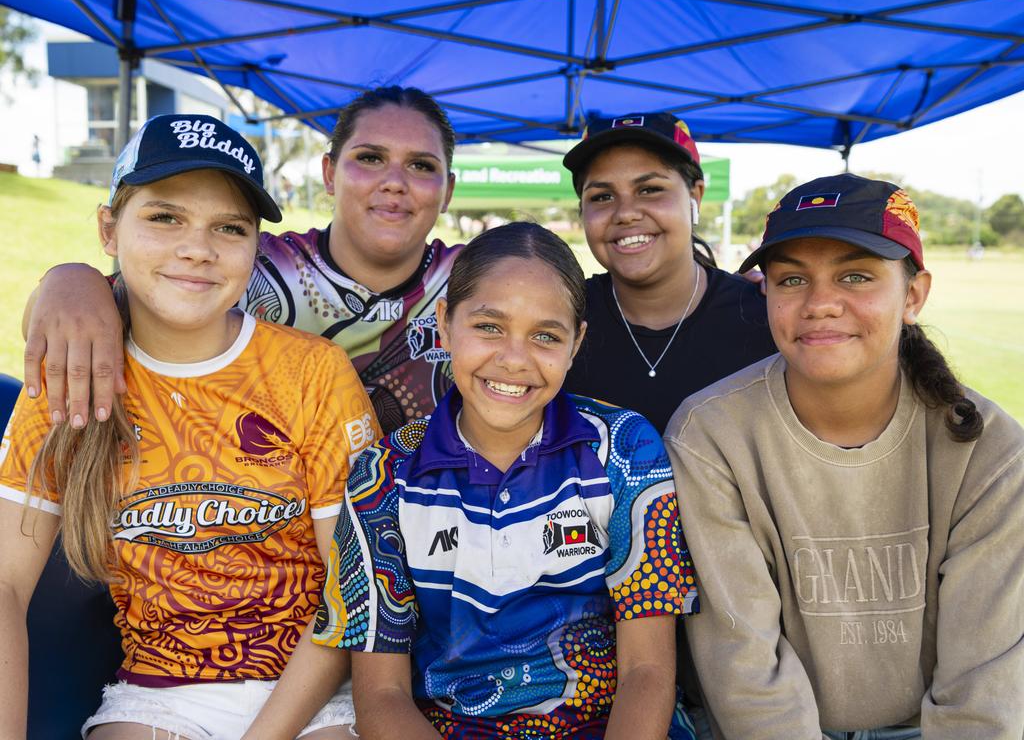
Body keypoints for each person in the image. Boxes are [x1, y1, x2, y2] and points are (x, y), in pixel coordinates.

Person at [0, 114, 381, 738]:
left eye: (228, 228)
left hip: (313, 694)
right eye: (165, 217)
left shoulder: (312, 373)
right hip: (156, 696)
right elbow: (5, 583)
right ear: (107, 228)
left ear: (255, 244)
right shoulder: (71, 369)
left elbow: (352, 594)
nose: (196, 248)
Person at [250, 223, 700, 740]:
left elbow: (646, 672)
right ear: (444, 324)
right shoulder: (384, 476)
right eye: (489, 326)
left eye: (546, 336)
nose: (514, 358)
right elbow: (382, 696)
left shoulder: (623, 450)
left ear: (576, 343)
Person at [665, 174, 1024, 739]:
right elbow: (744, 667)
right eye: (792, 280)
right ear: (766, 293)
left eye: (855, 276)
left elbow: (982, 689)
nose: (821, 304)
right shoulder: (711, 435)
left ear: (913, 295)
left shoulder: (989, 448)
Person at [23, 86, 459, 435]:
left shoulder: (476, 280)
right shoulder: (245, 262)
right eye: (370, 157)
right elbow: (64, 322)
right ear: (329, 173)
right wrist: (70, 281)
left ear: (449, 191)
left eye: (421, 166)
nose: (395, 182)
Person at [561, 112, 777, 435]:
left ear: (695, 197)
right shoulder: (561, 321)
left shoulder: (767, 318)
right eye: (602, 197)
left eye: (649, 189)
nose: (626, 213)